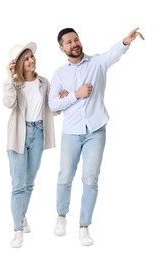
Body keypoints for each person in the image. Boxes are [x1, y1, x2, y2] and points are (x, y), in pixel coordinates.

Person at [49, 27, 145, 246]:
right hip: (71, 132)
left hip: (95, 130)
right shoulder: (59, 74)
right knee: (65, 177)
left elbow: (113, 53)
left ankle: (84, 226)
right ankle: (61, 216)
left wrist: (126, 41)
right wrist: (75, 94)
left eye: (76, 39)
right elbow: (53, 104)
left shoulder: (97, 63)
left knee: (90, 179)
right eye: (69, 42)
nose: (74, 44)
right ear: (62, 48)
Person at [3, 42, 56, 248]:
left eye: (32, 56)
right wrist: (9, 78)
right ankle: (18, 229)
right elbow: (8, 103)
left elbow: (53, 109)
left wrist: (65, 99)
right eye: (26, 58)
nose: (31, 60)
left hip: (39, 132)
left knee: (29, 183)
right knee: (18, 184)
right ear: (18, 64)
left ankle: (22, 214)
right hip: (18, 135)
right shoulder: (14, 85)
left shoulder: (44, 82)